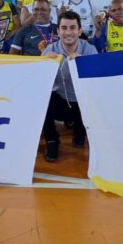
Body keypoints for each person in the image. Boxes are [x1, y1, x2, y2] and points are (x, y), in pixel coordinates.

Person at [41, 11, 98, 162]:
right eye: (64, 28)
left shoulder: (90, 50)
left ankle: (80, 130)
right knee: (42, 98)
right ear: (58, 31)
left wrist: (84, 64)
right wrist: (44, 64)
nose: (68, 32)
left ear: (79, 31)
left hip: (83, 104)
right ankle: (52, 140)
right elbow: (38, 82)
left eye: (72, 28)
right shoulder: (49, 51)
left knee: (94, 99)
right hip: (59, 101)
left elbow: (96, 83)